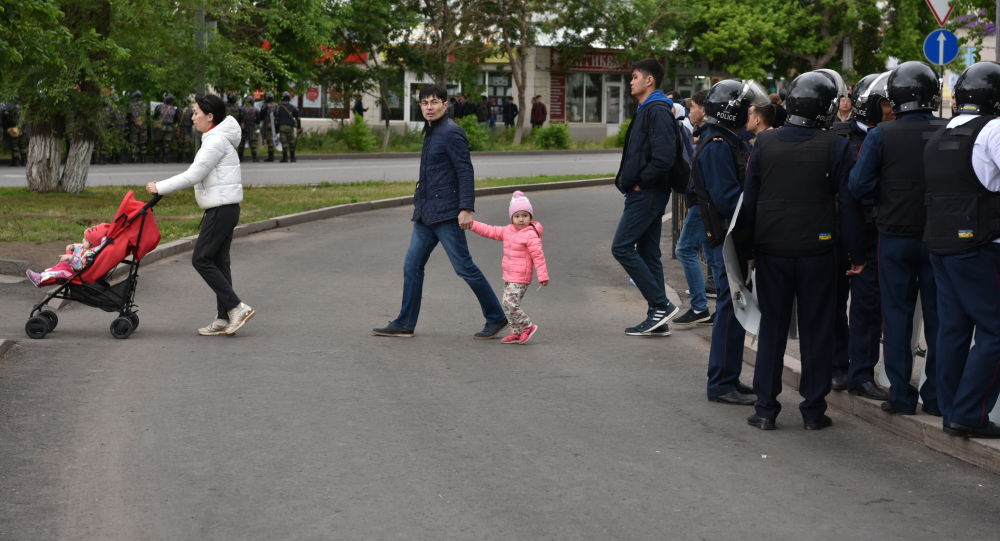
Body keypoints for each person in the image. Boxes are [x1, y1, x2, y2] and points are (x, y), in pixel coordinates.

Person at [742, 71, 855, 431]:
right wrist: (858, 254)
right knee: (816, 330)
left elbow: (751, 202)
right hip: (819, 250)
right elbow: (849, 204)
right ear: (826, 108)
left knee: (772, 329)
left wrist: (748, 250)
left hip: (772, 249)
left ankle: (765, 409)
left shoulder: (764, 144)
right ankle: (812, 410)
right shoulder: (835, 145)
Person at [849, 61, 947, 417]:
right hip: (938, 235)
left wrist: (885, 199)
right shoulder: (947, 128)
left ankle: (901, 395)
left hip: (893, 235)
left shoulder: (881, 134)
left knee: (897, 315)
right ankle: (936, 396)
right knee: (940, 317)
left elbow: (858, 185)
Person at [372, 84, 508, 339]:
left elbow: (465, 171)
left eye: (434, 102)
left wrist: (466, 208)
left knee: (464, 267)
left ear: (446, 104)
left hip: (446, 213)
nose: (429, 107)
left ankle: (496, 316)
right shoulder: (432, 131)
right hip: (425, 214)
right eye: (424, 102)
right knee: (412, 266)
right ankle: (404, 322)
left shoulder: (451, 132)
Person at [923, 62, 1000, 438]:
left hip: (941, 243)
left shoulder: (943, 131)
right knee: (996, 329)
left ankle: (951, 408)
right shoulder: (994, 129)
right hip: (982, 245)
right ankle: (970, 412)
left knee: (953, 329)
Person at [145, 94, 255, 337]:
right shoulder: (217, 139)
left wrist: (159, 187)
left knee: (201, 259)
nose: (192, 117)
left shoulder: (215, 141)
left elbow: (193, 175)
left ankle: (236, 307)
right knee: (218, 261)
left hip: (221, 210)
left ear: (210, 116)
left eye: (196, 113)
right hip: (225, 208)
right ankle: (223, 317)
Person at [690, 79, 769, 404]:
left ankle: (729, 378)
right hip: (726, 238)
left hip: (729, 237)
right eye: (746, 107)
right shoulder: (720, 144)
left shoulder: (727, 140)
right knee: (729, 307)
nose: (750, 112)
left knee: (734, 307)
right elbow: (727, 200)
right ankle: (722, 382)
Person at [828, 72, 892, 401]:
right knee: (835, 302)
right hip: (838, 232)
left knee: (868, 307)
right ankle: (838, 365)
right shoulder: (838, 135)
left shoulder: (891, 136)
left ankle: (862, 372)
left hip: (873, 232)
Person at [612, 58, 680, 336]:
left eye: (635, 76)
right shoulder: (648, 109)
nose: (631, 81)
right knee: (649, 252)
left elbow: (664, 158)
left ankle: (660, 304)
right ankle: (658, 318)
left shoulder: (657, 110)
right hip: (647, 192)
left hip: (648, 193)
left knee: (622, 247)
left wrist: (641, 182)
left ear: (649, 80)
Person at [469, 191, 550, 344]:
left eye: (525, 215)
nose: (521, 219)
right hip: (509, 275)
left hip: (521, 277)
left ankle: (527, 326)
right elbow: (490, 230)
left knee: (509, 303)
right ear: (511, 217)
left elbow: (538, 256)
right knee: (508, 306)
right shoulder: (508, 231)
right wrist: (472, 225)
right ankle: (517, 332)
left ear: (530, 217)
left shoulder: (531, 235)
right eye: (517, 216)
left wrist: (543, 276)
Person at [673, 89, 717, 328]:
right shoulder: (709, 133)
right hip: (704, 202)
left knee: (685, 249)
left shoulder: (710, 136)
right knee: (711, 255)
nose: (690, 111)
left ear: (704, 110)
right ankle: (719, 307)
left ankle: (700, 306)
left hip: (702, 203)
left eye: (693, 107)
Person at [25, 224, 112, 287]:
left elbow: (80, 266)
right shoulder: (87, 249)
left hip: (74, 273)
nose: (82, 240)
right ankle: (41, 275)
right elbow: (80, 247)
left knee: (58, 273)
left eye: (85, 240)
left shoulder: (90, 254)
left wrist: (70, 257)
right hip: (70, 267)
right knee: (58, 267)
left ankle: (40, 280)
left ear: (92, 244)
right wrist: (73, 247)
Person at [152, 93, 180, 163]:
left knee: (158, 143)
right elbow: (176, 119)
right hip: (170, 127)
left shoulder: (159, 107)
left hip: (160, 127)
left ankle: (156, 158)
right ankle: (165, 159)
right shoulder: (174, 109)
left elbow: (155, 116)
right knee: (166, 144)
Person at [276, 91, 301, 163]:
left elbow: (276, 117)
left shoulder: (279, 107)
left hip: (282, 127)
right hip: (290, 127)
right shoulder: (293, 107)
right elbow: (297, 117)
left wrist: (277, 129)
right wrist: (298, 127)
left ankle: (285, 158)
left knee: (284, 143)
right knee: (292, 142)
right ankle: (293, 158)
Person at [128, 90, 149, 163]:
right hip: (143, 126)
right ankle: (143, 159)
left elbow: (129, 115)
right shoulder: (145, 104)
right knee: (143, 143)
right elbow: (148, 114)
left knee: (134, 143)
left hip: (134, 126)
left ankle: (134, 158)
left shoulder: (131, 105)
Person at [257, 92, 279, 162]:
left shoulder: (265, 105)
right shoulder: (276, 105)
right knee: (273, 139)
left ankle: (271, 157)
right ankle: (271, 156)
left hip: (267, 124)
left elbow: (261, 115)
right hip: (275, 124)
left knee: (269, 140)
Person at [238, 94, 258, 163]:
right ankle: (254, 158)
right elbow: (258, 120)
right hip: (251, 128)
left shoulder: (241, 109)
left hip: (243, 129)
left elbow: (239, 118)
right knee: (253, 145)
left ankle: (240, 158)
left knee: (241, 145)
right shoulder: (255, 110)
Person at [177, 98, 196, 163]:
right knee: (187, 144)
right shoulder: (190, 110)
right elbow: (193, 120)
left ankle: (179, 158)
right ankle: (186, 158)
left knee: (180, 143)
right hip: (188, 128)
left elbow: (176, 118)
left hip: (181, 128)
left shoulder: (179, 109)